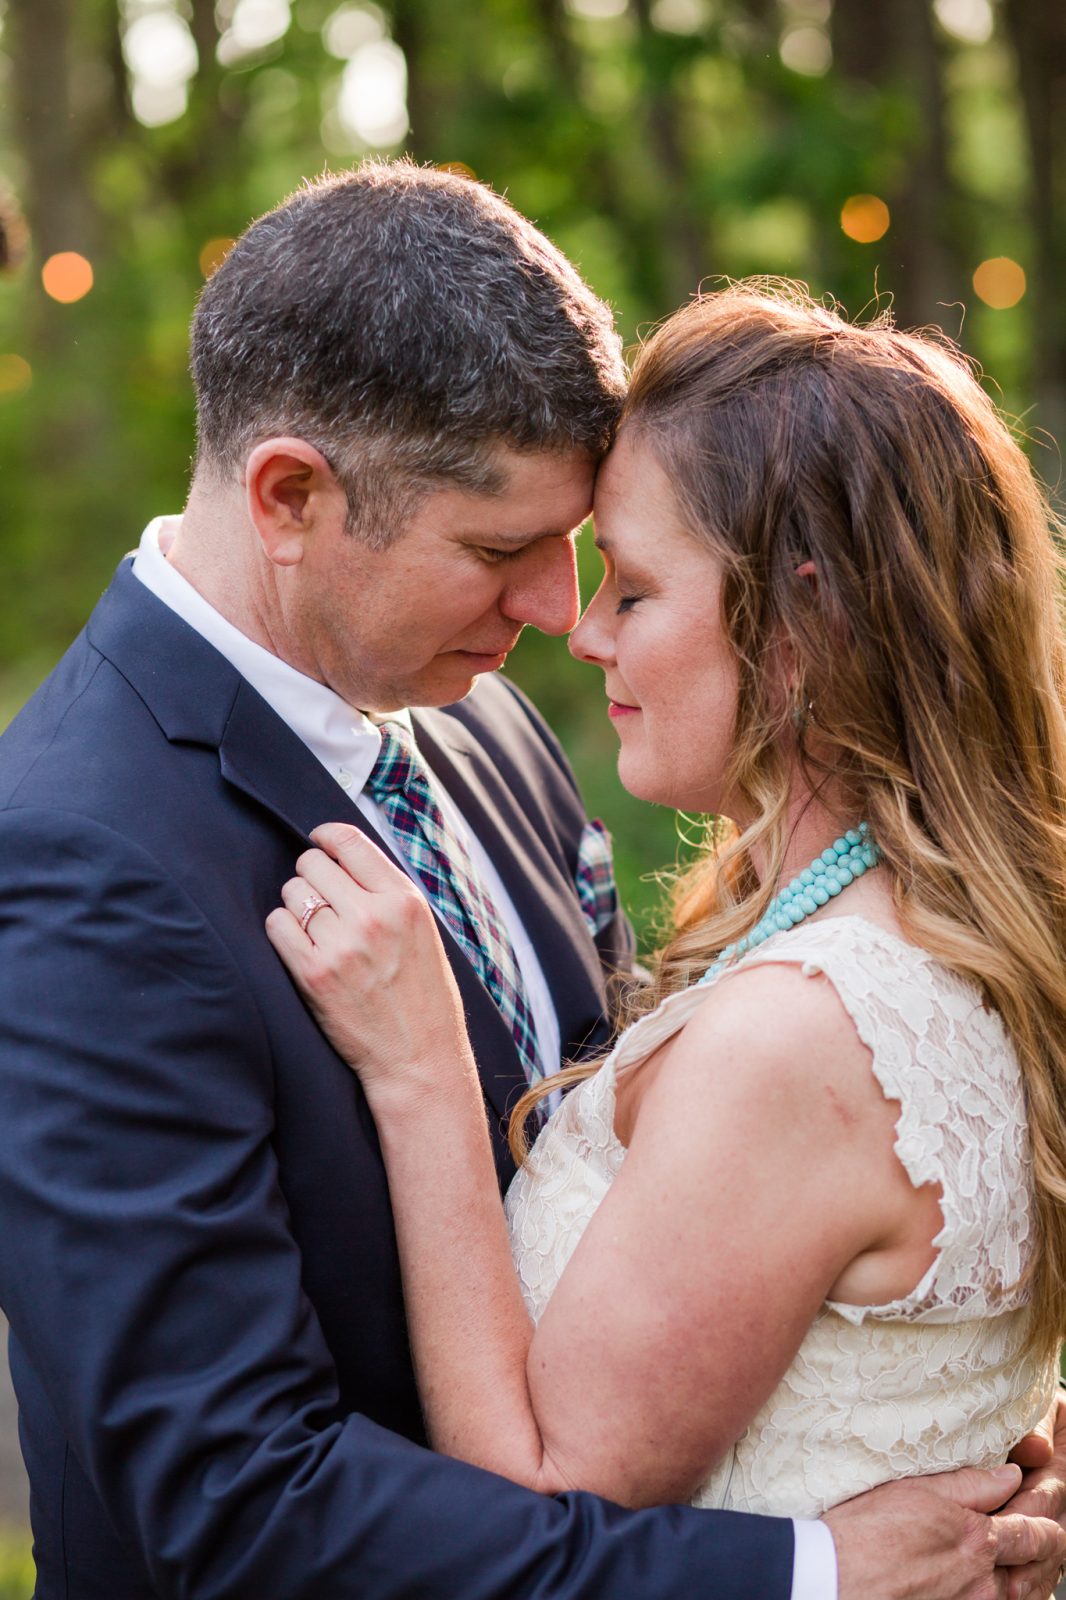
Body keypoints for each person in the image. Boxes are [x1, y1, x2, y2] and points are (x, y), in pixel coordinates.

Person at [0, 165, 1060, 1600]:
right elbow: (230, 1501)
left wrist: (946, 1407)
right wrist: (807, 1568)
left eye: (587, 561)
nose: (558, 617)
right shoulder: (81, 855)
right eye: (501, 552)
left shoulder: (476, 716)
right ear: (292, 495)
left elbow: (663, 1184)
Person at [268, 281, 1066, 1559]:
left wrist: (418, 1072)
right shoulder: (931, 931)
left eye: (632, 589)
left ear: (802, 624)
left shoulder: (798, 1041)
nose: (581, 633)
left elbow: (544, 1513)